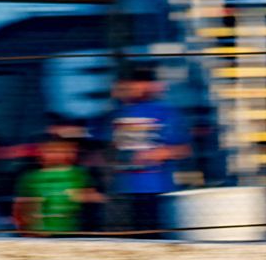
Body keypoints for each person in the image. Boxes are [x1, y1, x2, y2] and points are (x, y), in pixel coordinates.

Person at [103, 66, 189, 233]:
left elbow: (184, 149)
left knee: (152, 236)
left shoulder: (165, 112)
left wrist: (162, 153)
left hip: (156, 189)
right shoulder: (113, 114)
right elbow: (103, 150)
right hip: (121, 192)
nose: (131, 88)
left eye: (138, 83)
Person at [13, 120, 103, 235]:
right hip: (42, 234)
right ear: (40, 152)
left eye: (64, 150)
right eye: (51, 151)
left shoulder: (79, 174)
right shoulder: (31, 178)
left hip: (73, 233)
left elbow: (96, 197)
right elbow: (23, 207)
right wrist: (29, 230)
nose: (58, 155)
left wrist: (85, 196)